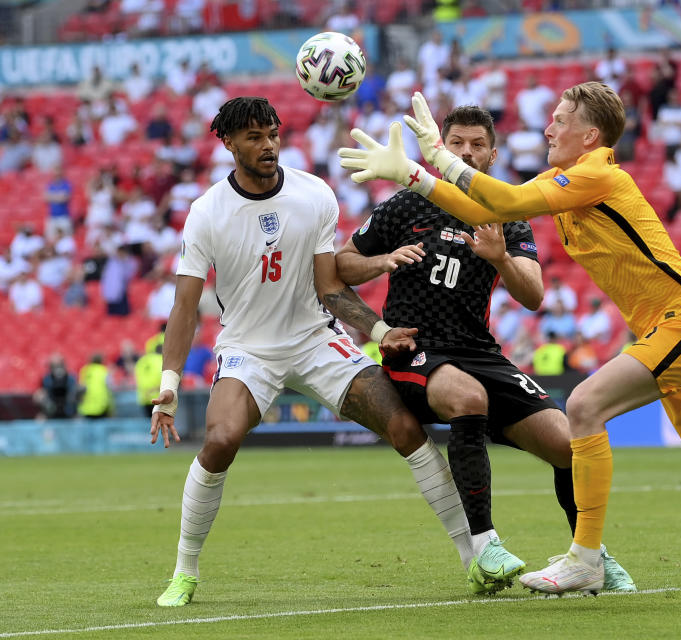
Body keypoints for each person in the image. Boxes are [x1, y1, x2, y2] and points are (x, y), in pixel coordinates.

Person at [338, 83, 681, 598]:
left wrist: (429, 161)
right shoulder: (569, 181)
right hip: (671, 330)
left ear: (591, 136)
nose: (548, 131)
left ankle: (586, 557)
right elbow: (487, 208)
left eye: (559, 122)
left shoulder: (598, 174)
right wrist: (413, 175)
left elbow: (501, 206)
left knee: (583, 405)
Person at [151, 97, 474, 608]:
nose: (267, 145)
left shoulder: (314, 194)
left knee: (405, 429)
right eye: (254, 137)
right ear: (228, 143)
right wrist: (168, 387)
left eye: (272, 134)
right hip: (248, 349)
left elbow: (330, 287)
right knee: (221, 439)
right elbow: (185, 306)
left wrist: (378, 328)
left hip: (316, 338)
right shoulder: (206, 212)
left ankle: (473, 559)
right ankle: (184, 571)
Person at [335, 105, 634, 594]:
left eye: (477, 145)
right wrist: (384, 263)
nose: (467, 152)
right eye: (457, 144)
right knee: (468, 398)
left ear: (493, 154)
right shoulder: (406, 205)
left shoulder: (507, 215)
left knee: (569, 447)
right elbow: (341, 263)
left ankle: (590, 555)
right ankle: (485, 547)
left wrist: (501, 259)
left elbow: (533, 295)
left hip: (480, 352)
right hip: (416, 347)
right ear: (441, 150)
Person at [77, 353, 112, 419]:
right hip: (101, 406)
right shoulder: (104, 370)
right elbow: (110, 387)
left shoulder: (85, 370)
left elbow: (81, 387)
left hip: (86, 406)